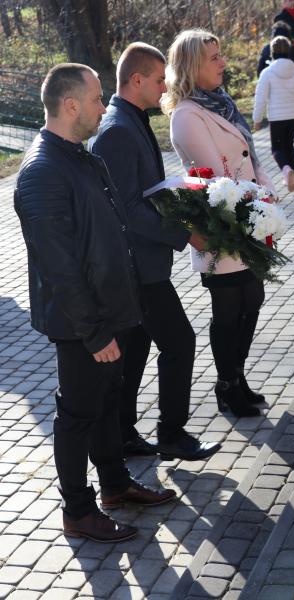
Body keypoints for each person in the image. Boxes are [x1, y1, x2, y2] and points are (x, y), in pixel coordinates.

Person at [14, 64, 176, 543]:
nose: (104, 108)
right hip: (82, 324)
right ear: (70, 105)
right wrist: (94, 331)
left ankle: (115, 486)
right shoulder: (42, 171)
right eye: (96, 99)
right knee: (77, 415)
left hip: (110, 311)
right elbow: (58, 268)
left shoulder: (79, 156)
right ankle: (79, 512)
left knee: (106, 404)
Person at [90, 43, 221, 462]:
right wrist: (187, 235)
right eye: (159, 79)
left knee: (135, 350)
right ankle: (171, 434)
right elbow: (126, 210)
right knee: (179, 341)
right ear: (136, 80)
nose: (165, 87)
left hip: (141, 265)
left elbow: (142, 193)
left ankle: (123, 434)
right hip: (135, 269)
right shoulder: (117, 131)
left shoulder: (130, 121)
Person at [162, 29, 277, 418]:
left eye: (220, 54)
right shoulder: (187, 115)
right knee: (229, 309)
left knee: (253, 299)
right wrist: (258, 202)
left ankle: (236, 377)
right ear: (192, 65)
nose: (223, 62)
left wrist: (267, 192)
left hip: (250, 217)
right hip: (222, 225)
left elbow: (250, 156)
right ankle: (227, 385)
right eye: (214, 57)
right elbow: (218, 177)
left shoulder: (222, 102)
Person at [253, 36, 294, 193]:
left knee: (277, 149)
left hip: (276, 117)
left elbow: (260, 98)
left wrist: (257, 119)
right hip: (293, 116)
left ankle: (286, 171)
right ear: (289, 51)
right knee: (289, 145)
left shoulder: (267, 73)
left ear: (272, 52)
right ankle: (291, 176)